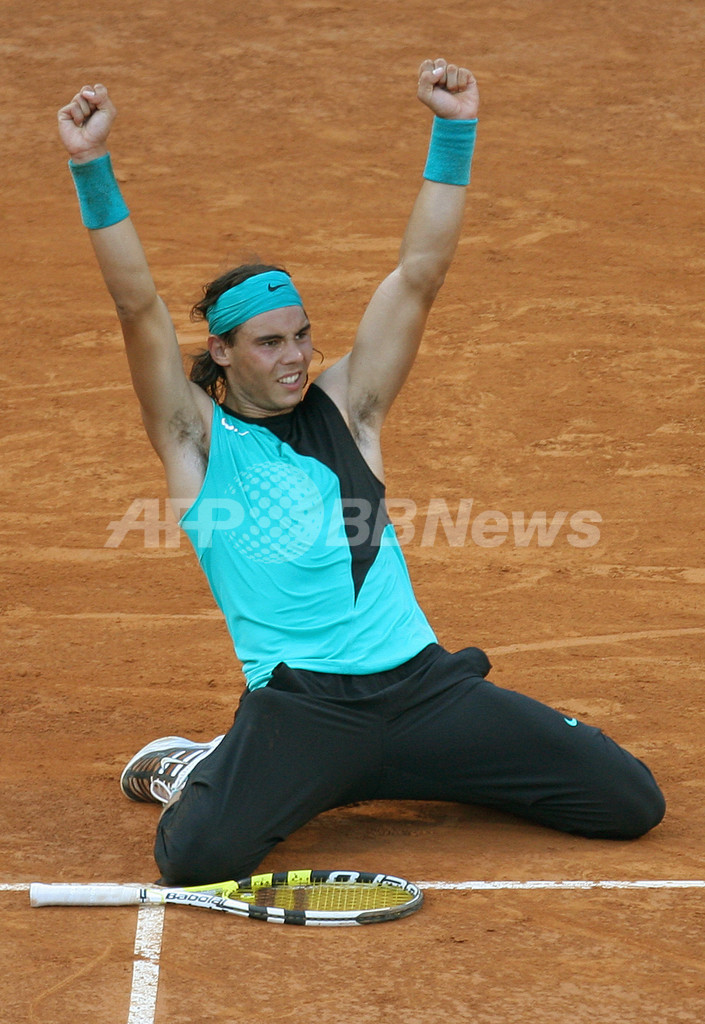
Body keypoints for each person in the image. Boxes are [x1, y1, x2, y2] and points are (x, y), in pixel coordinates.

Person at [58, 59, 665, 887]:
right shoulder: (193, 440)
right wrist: (91, 166)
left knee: (628, 804)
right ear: (223, 352)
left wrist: (454, 129)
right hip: (301, 709)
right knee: (194, 858)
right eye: (269, 342)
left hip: (423, 692)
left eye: (302, 335)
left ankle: (388, 771)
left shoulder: (351, 408)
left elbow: (419, 274)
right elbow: (137, 308)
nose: (296, 357)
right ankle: (198, 762)